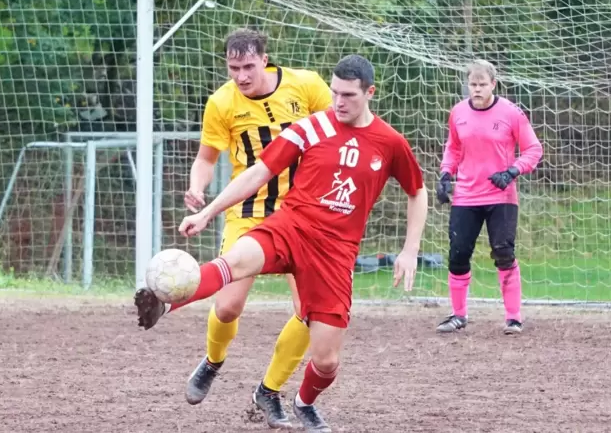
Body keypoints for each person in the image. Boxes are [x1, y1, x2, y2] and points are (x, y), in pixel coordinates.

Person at [137, 54, 428, 432]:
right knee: (232, 264)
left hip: (335, 253)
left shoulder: (390, 143)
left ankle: (302, 402)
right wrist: (208, 211)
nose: (338, 102)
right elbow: (259, 171)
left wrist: (409, 250)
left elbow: (417, 192)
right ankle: (166, 301)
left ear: (370, 93)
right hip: (291, 226)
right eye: (335, 92)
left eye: (349, 95)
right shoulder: (311, 127)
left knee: (326, 361)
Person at [134, 28, 332, 428]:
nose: (241, 75)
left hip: (303, 215)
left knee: (310, 313)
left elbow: (336, 132)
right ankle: (212, 362)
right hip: (248, 212)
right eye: (233, 67)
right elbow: (207, 157)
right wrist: (196, 187)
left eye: (248, 66)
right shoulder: (221, 102)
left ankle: (269, 391)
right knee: (227, 305)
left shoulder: (307, 86)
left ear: (265, 59)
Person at [435, 59, 543, 335]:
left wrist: (511, 172)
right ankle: (458, 315)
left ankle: (513, 318)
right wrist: (446, 174)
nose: (477, 89)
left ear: (493, 84)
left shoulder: (511, 113)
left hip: (501, 197)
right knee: (458, 254)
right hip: (466, 197)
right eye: (473, 84)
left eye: (483, 84)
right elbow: (453, 148)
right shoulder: (457, 113)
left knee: (503, 253)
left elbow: (533, 149)